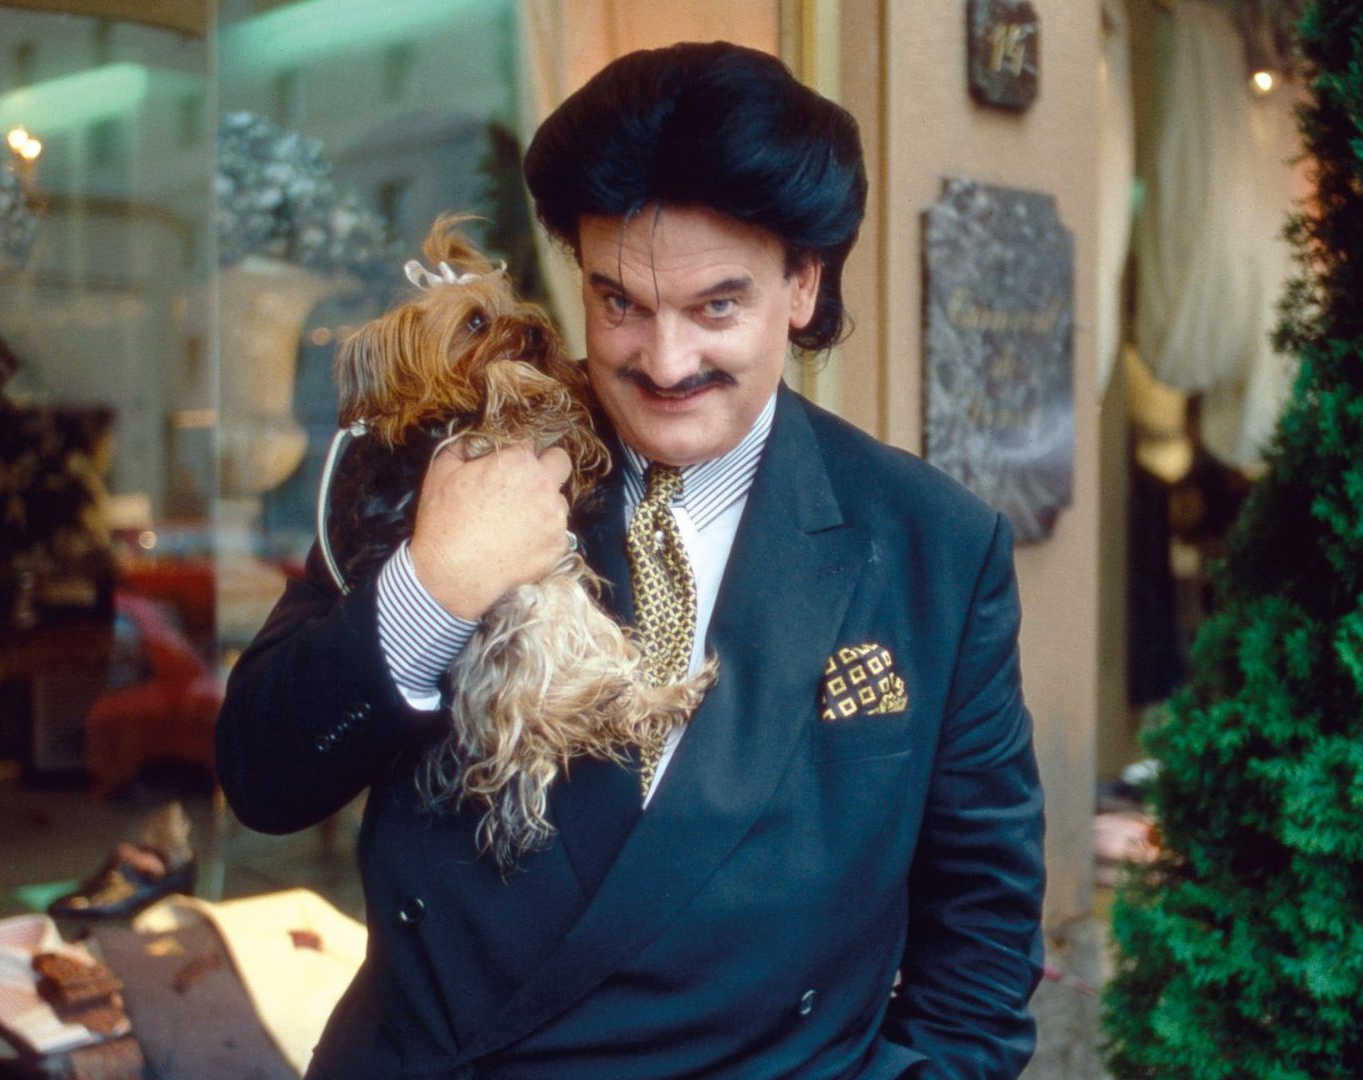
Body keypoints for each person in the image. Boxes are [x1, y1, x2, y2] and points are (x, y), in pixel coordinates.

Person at [216, 41, 1045, 1079]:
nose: (663, 362)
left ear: (802, 284)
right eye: (620, 303)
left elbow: (981, 933)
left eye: (716, 307)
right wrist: (433, 589)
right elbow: (263, 776)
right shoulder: (438, 454)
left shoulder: (934, 544)